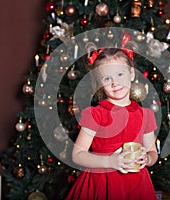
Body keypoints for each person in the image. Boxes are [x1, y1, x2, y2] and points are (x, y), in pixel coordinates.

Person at [64, 47, 158, 200]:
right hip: (101, 182)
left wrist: (147, 159)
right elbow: (78, 155)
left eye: (120, 74)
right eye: (107, 79)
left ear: (132, 74)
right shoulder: (95, 114)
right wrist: (111, 161)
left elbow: (152, 153)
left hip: (137, 184)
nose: (115, 83)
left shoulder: (145, 115)